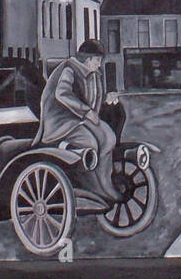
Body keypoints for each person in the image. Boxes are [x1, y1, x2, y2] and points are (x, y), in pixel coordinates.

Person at [33, 39, 119, 205]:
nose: (99, 65)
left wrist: (106, 100)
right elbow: (62, 94)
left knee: (109, 138)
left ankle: (104, 182)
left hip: (80, 119)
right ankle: (90, 185)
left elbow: (91, 100)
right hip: (62, 122)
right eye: (97, 61)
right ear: (87, 59)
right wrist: (86, 112)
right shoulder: (70, 69)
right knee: (89, 143)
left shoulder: (93, 74)